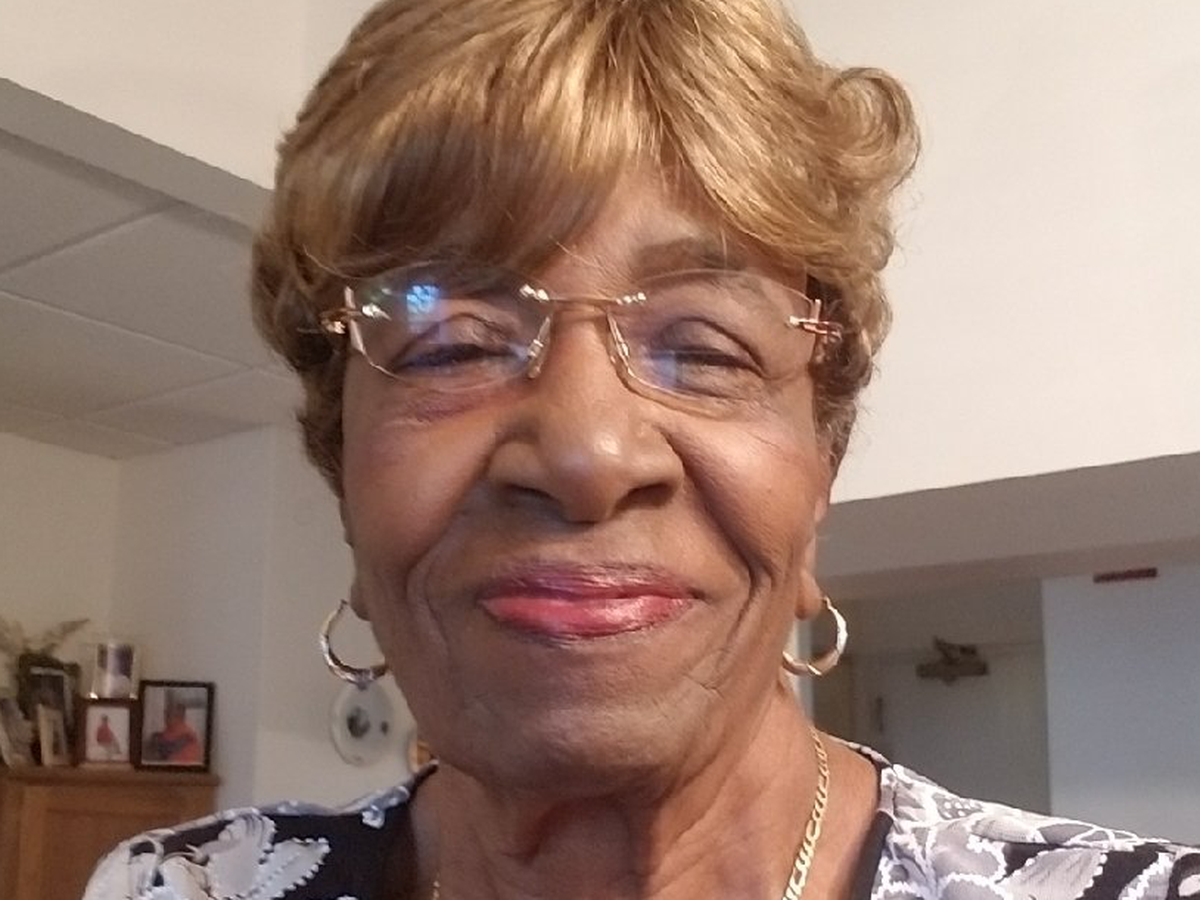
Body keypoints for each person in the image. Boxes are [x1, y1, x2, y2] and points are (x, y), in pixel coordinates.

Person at [85, 1, 1198, 898]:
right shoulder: (174, 887)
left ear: (820, 476)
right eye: (451, 342)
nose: (586, 451)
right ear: (343, 478)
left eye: (705, 347)